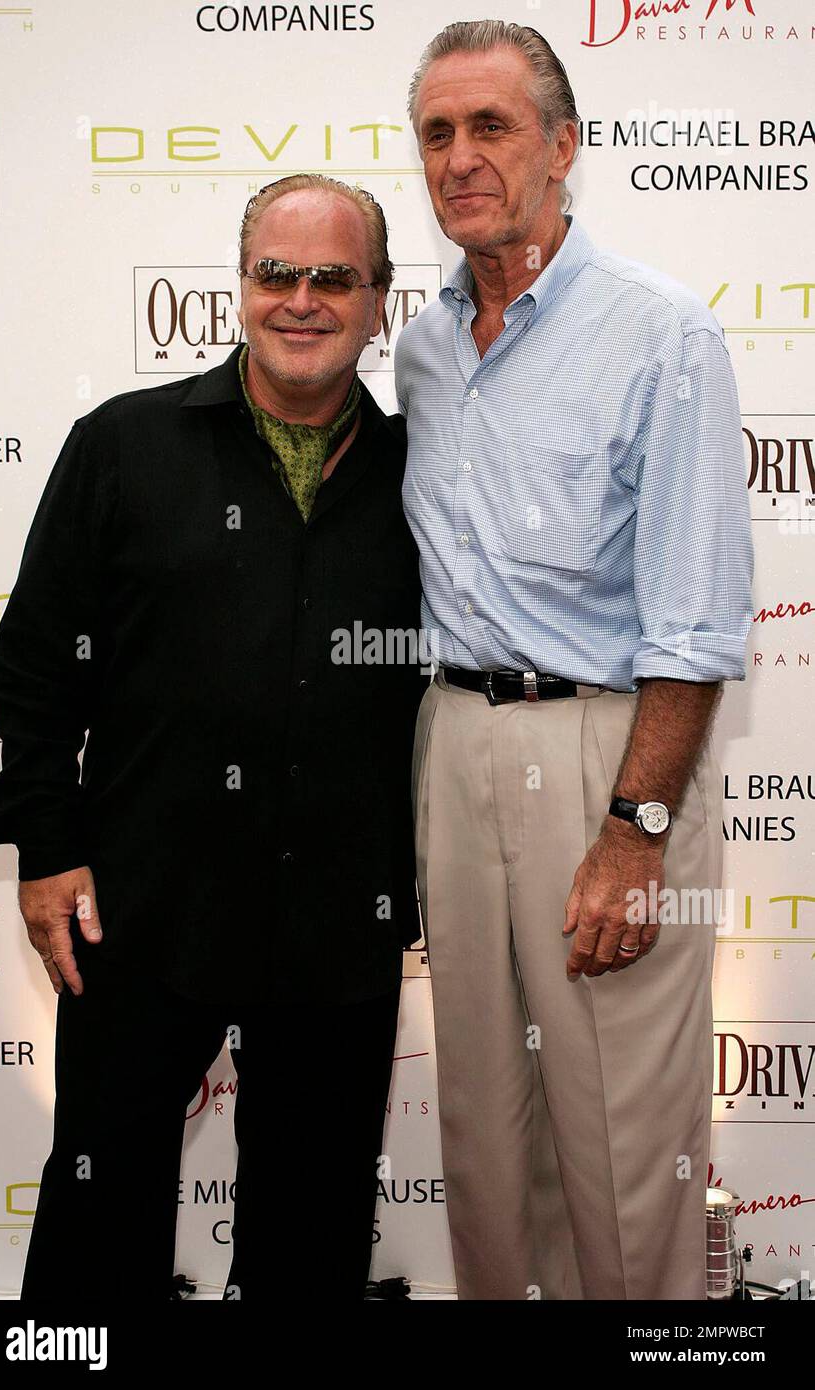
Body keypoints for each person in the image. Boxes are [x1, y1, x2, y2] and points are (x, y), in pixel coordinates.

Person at [0, 173, 424, 1301]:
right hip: (138, 903)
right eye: (277, 272)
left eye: (334, 277)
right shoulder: (124, 445)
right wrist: (46, 847)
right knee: (98, 1214)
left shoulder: (426, 475)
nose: (302, 299)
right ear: (240, 285)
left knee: (314, 1228)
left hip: (338, 917)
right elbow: (35, 665)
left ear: (380, 300)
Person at [396, 20, 754, 1300]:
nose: (460, 157)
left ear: (562, 147)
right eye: (437, 132)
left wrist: (634, 829)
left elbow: (695, 623)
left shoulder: (661, 334)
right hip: (453, 743)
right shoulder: (424, 346)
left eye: (490, 126)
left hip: (606, 755)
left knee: (625, 1153)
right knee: (485, 1142)